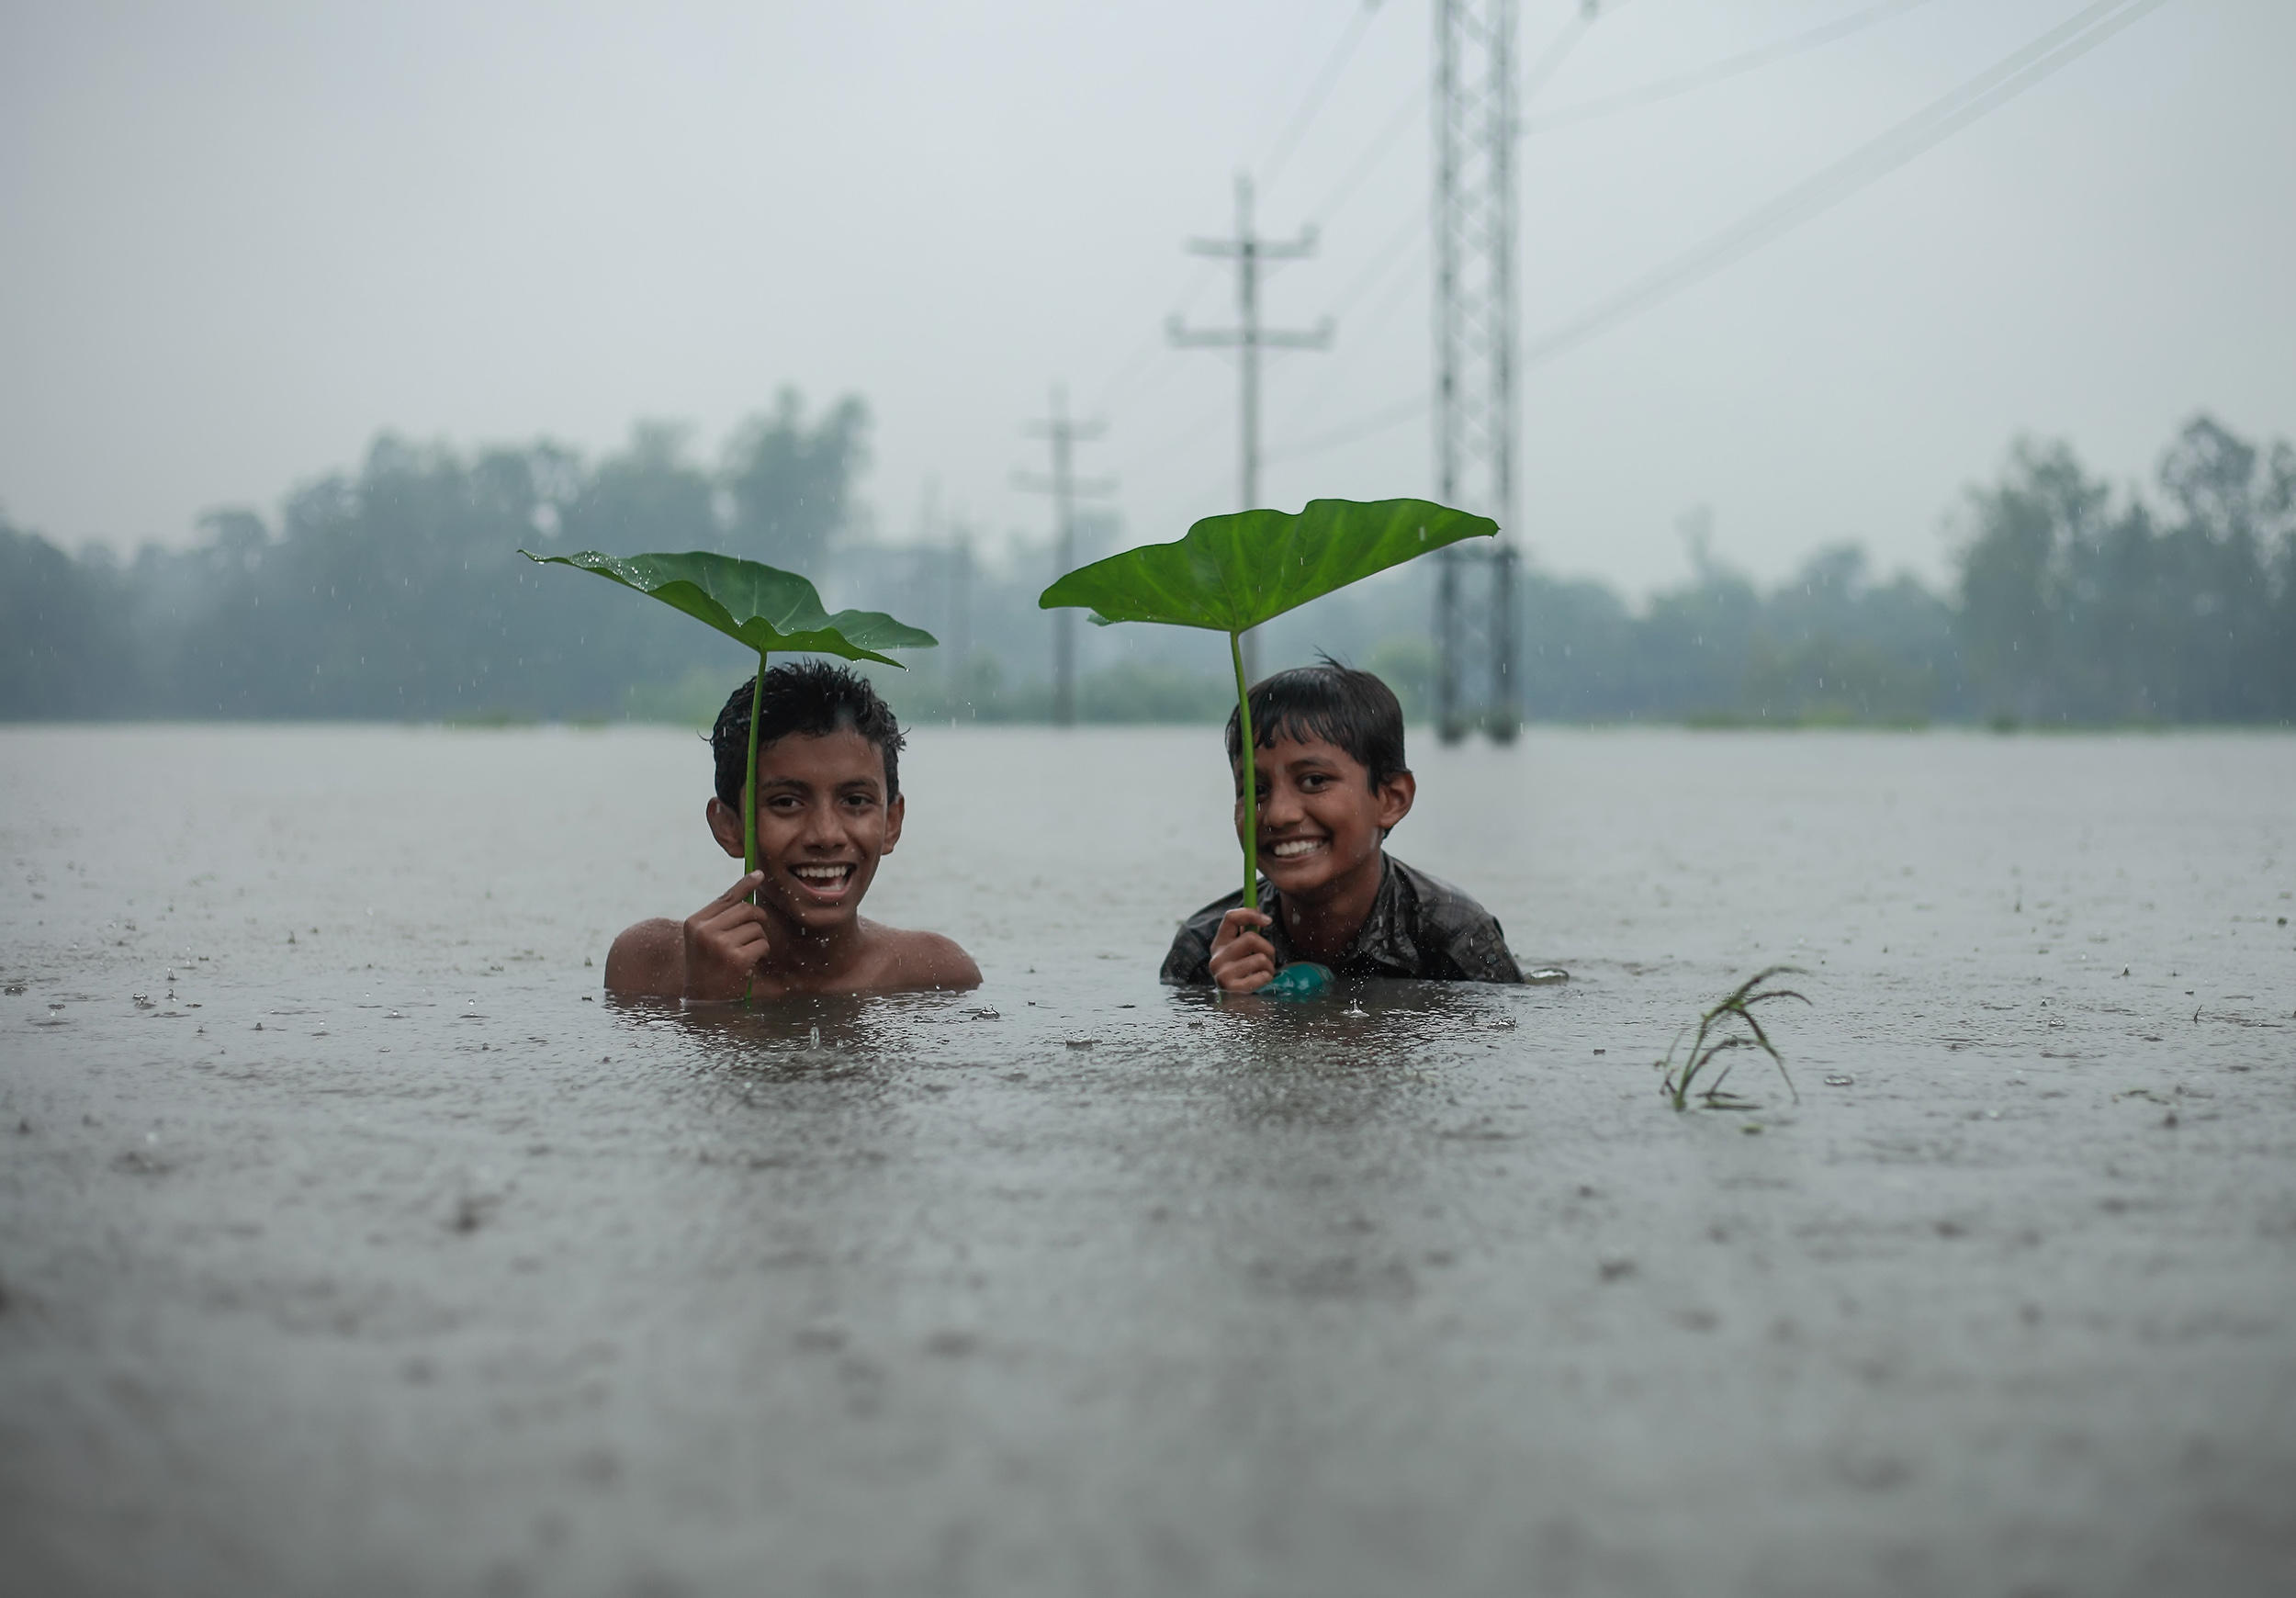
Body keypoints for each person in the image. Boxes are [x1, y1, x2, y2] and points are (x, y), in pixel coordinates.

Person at [604, 661, 980, 1000]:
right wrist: (707, 1001)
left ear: (892, 823)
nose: (826, 834)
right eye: (786, 802)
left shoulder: (937, 977)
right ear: (728, 826)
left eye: (855, 801)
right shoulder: (647, 965)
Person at [1161, 660, 1524, 992]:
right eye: (1255, 789)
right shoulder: (1204, 949)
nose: (1278, 815)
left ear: (1391, 799)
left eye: (1314, 780)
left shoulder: (1454, 935)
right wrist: (1233, 1010)